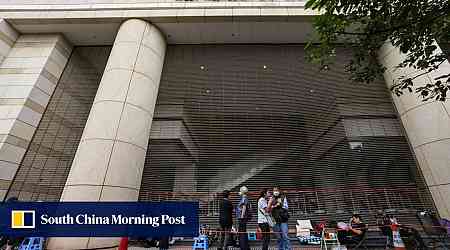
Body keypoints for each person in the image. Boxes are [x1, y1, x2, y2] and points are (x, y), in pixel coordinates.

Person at [236, 186, 250, 250]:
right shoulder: (243, 198)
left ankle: (243, 247)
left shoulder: (244, 198)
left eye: (240, 191)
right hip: (242, 218)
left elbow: (244, 207)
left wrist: (242, 216)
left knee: (242, 232)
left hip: (242, 218)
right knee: (242, 232)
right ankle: (245, 246)